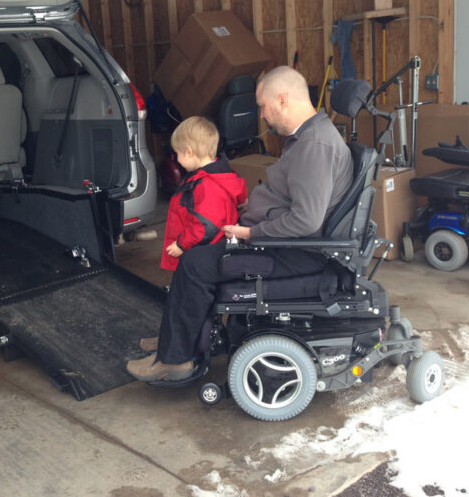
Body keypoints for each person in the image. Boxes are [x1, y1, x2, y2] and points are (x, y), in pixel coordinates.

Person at [126, 66, 354, 382]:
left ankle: (174, 359)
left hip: (292, 252)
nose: (261, 116)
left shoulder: (315, 145)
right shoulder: (306, 138)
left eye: (263, 106)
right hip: (280, 242)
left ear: (283, 99)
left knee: (194, 263)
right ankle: (174, 339)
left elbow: (307, 219)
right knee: (200, 256)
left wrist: (251, 232)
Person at [135, 116, 248, 353]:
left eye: (176, 153)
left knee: (187, 299)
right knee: (176, 294)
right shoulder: (211, 177)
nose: (175, 158)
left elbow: (204, 226)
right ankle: (168, 337)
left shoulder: (207, 185)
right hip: (204, 252)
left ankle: (181, 345)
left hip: (202, 253)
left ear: (188, 152)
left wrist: (181, 244)